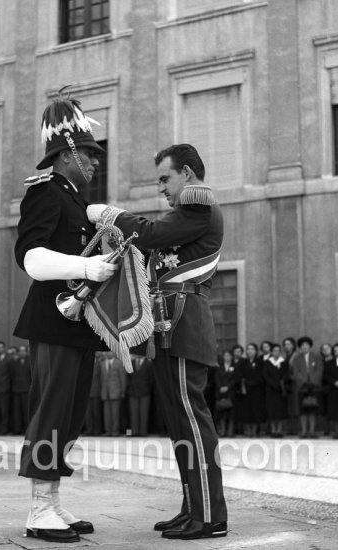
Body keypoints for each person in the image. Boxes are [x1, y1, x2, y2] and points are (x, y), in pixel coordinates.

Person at [87, 143, 227, 540]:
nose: (162, 187)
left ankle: (211, 515)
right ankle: (193, 507)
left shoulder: (199, 206)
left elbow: (150, 234)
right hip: (169, 326)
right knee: (179, 425)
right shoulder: (184, 213)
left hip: (185, 324)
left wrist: (112, 214)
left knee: (192, 422)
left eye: (166, 178)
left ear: (187, 172)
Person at [13, 90, 117, 543]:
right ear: (68, 153)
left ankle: (52, 500)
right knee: (51, 409)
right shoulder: (47, 193)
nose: (95, 162)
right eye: (90, 154)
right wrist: (84, 267)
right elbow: (31, 258)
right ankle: (38, 509)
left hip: (78, 322)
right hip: (53, 318)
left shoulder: (75, 199)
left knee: (71, 414)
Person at [290, 336, 323, 438]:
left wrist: (312, 382)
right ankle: (304, 431)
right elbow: (295, 372)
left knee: (312, 410)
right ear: (300, 347)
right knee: (302, 411)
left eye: (307, 345)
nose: (305, 347)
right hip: (301, 387)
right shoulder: (296, 358)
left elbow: (319, 370)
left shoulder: (317, 357)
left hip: (314, 387)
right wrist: (304, 382)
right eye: (302, 345)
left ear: (310, 346)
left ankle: (312, 432)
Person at [240, 343, 265, 437]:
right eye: (248, 349)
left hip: (257, 390)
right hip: (245, 390)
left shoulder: (260, 362)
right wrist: (245, 383)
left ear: (256, 351)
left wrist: (253, 383)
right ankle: (248, 430)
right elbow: (240, 374)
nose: (250, 351)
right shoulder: (243, 362)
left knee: (255, 411)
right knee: (246, 411)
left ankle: (254, 431)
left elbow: (262, 375)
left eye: (252, 349)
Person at [263, 343, 289, 437]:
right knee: (272, 411)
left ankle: (279, 430)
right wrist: (273, 384)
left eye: (278, 350)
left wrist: (280, 383)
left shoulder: (284, 362)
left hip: (280, 390)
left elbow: (286, 374)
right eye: (274, 350)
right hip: (270, 390)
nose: (276, 352)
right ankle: (273, 430)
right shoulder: (267, 362)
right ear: (271, 352)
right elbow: (265, 375)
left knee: (280, 411)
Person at [99, 352, 127, 436]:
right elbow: (101, 379)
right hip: (105, 392)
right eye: (106, 352)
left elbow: (123, 378)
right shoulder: (102, 363)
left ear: (114, 353)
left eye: (109, 352)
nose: (108, 353)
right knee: (106, 413)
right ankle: (108, 431)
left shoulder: (119, 363)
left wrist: (122, 391)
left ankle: (115, 431)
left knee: (115, 413)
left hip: (116, 391)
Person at [127, 355, 154, 436]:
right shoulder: (131, 362)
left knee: (144, 413)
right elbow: (128, 377)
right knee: (133, 413)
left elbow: (151, 378)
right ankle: (134, 432)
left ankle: (143, 432)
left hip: (145, 391)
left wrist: (148, 388)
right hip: (133, 391)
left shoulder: (149, 364)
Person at [323, 343, 338, 438]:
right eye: (335, 350)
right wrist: (334, 382)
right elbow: (325, 375)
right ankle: (336, 432)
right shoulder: (329, 362)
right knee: (335, 412)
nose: (337, 352)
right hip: (333, 390)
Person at [215, 350, 237, 437]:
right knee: (222, 412)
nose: (227, 358)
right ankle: (223, 431)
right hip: (221, 392)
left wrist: (228, 387)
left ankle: (230, 431)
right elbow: (216, 378)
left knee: (231, 413)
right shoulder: (219, 367)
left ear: (231, 357)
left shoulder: (235, 366)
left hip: (231, 392)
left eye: (229, 356)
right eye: (225, 356)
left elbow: (236, 378)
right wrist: (221, 387)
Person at [10, 345, 32, 435]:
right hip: (16, 390)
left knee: (26, 411)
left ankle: (27, 430)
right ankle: (17, 430)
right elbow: (12, 375)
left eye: (24, 351)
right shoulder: (14, 362)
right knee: (17, 412)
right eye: (20, 351)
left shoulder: (30, 362)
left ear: (26, 352)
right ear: (18, 353)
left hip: (26, 390)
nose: (22, 353)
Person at [83, 353, 103, 436]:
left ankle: (97, 430)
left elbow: (102, 378)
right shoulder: (84, 363)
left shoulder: (99, 364)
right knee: (88, 413)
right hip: (87, 392)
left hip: (96, 391)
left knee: (96, 412)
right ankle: (89, 429)